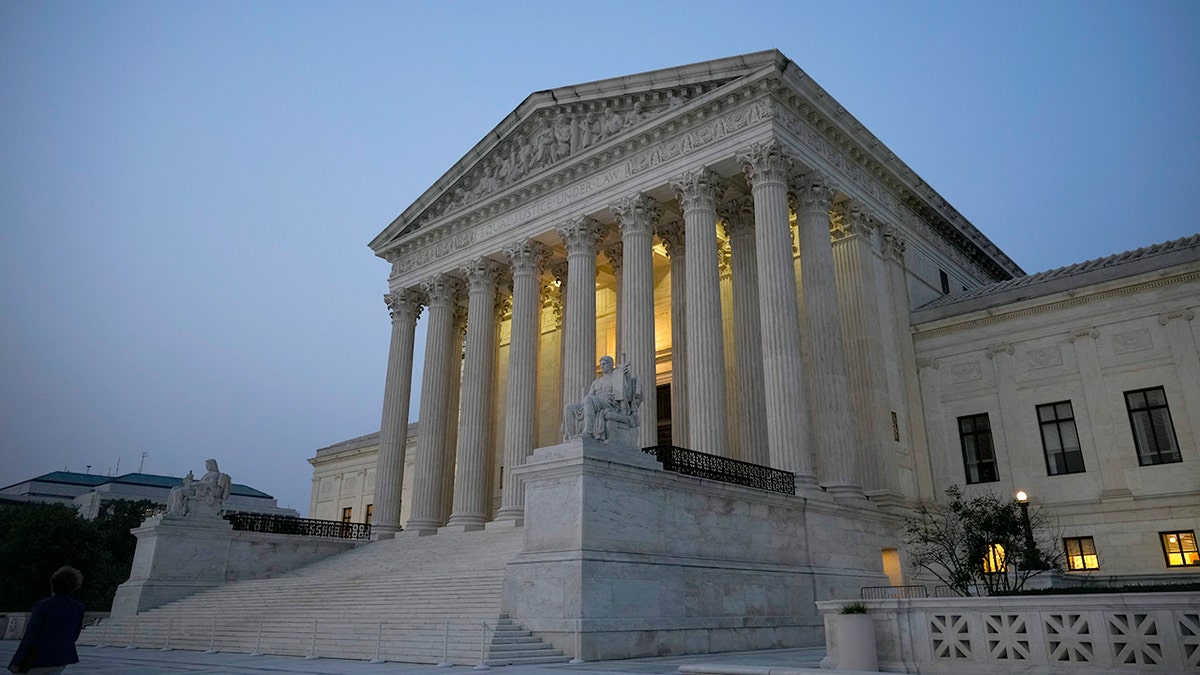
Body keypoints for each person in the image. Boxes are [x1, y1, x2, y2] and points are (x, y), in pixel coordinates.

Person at [7, 566, 85, 675]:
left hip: (38, 659)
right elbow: (74, 635)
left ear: (53, 584)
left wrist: (16, 662)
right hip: (61, 658)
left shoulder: (42, 606)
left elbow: (30, 636)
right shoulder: (78, 607)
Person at [563, 355, 635, 441]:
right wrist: (582, 404)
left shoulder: (615, 378)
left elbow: (627, 394)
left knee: (589, 399)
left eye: (604, 364)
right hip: (595, 402)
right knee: (569, 407)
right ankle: (571, 437)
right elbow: (589, 396)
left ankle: (588, 431)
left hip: (609, 403)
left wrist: (626, 378)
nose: (602, 366)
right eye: (601, 364)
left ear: (610, 365)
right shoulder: (596, 382)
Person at [165, 458, 232, 517]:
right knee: (174, 489)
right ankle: (170, 510)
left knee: (178, 492)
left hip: (203, 492)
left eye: (207, 465)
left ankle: (175, 511)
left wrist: (198, 483)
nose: (206, 467)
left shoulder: (215, 474)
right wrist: (190, 481)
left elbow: (211, 483)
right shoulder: (207, 474)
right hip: (197, 490)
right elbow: (201, 484)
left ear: (212, 465)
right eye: (206, 465)